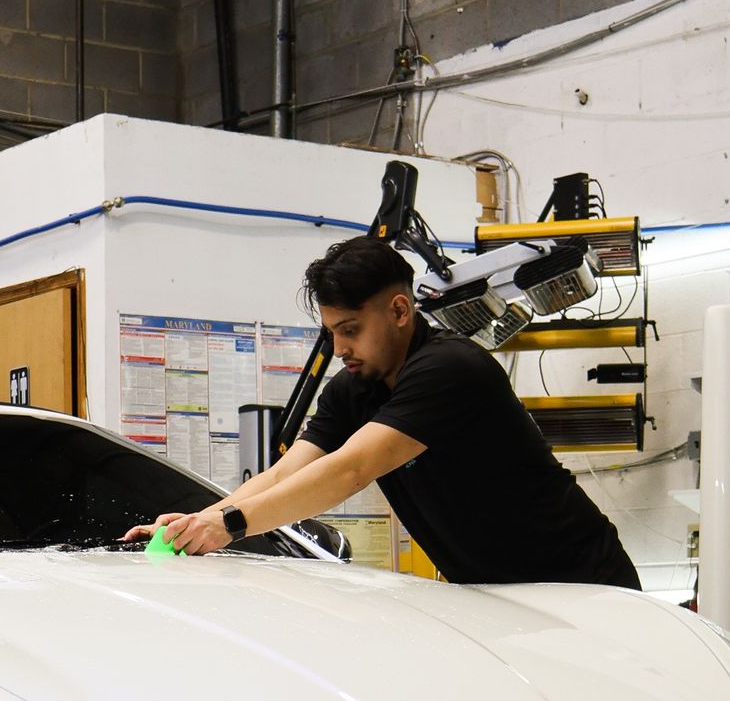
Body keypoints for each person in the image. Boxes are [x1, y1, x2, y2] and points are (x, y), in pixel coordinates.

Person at [125, 233, 641, 585]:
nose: (340, 348)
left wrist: (230, 526)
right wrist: (202, 520)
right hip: (494, 590)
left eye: (351, 330)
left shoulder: (451, 369)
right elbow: (286, 472)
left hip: (581, 581)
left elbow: (351, 469)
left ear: (399, 310)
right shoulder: (354, 389)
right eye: (332, 333)